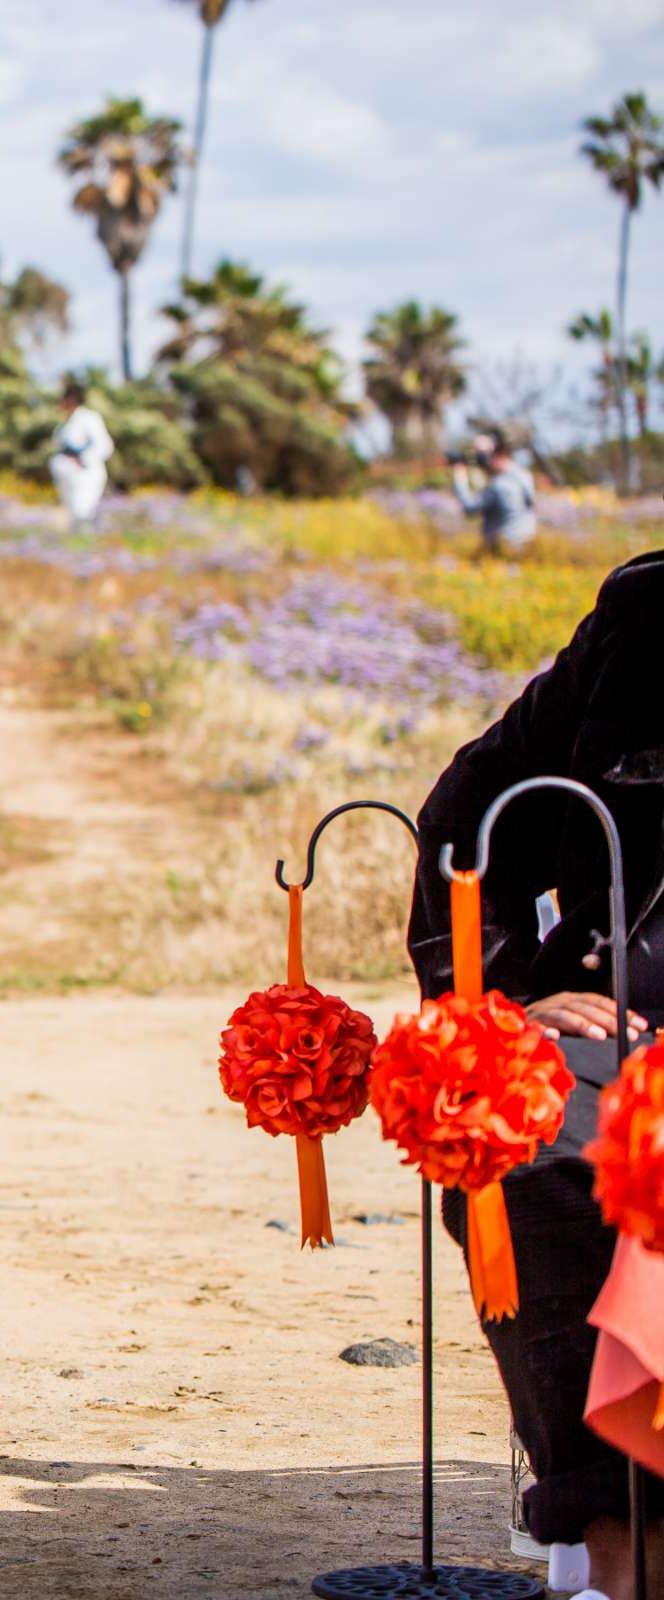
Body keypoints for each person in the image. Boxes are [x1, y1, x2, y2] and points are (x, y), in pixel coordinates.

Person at [409, 549, 664, 1600]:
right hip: (627, 1024)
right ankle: (608, 1529)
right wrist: (505, 991)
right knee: (520, 1124)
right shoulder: (645, 617)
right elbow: (467, 819)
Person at [452, 430, 538, 557]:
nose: (483, 463)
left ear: (498, 455)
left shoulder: (499, 485)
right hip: (526, 544)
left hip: (501, 548)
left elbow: (470, 508)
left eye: (483, 457)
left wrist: (460, 479)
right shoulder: (524, 476)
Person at [49, 380, 113, 531]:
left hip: (85, 473)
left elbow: (104, 446)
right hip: (67, 475)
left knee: (83, 511)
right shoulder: (63, 425)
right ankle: (76, 549)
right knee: (72, 514)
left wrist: (82, 458)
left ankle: (87, 546)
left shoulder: (89, 418)